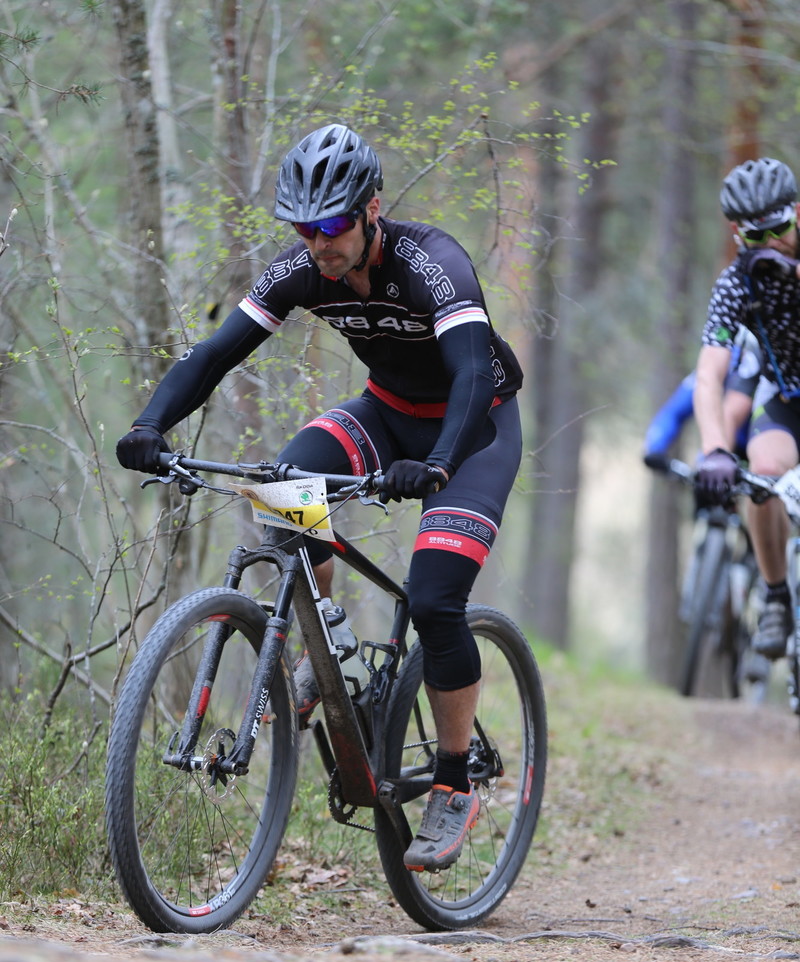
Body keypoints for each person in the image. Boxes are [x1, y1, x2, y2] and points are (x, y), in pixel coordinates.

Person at [115, 123, 524, 875]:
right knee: (281, 487)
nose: (319, 242)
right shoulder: (301, 269)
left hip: (475, 431)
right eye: (305, 228)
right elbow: (212, 356)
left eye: (333, 225)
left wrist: (434, 465)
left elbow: (472, 375)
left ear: (372, 209)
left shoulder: (433, 264)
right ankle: (322, 633)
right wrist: (149, 424)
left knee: (435, 600)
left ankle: (453, 779)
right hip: (386, 410)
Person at [694, 156, 800, 660]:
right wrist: (714, 448)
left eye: (779, 227)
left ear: (797, 213)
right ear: (737, 233)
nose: (772, 242)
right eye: (757, 236)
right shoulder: (735, 284)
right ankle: (777, 595)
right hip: (787, 400)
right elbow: (710, 373)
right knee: (762, 474)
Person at [643, 325, 762, 464]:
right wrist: (654, 448)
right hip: (726, 452)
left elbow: (731, 416)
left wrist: (707, 459)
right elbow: (673, 411)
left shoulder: (754, 367)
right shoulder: (710, 371)